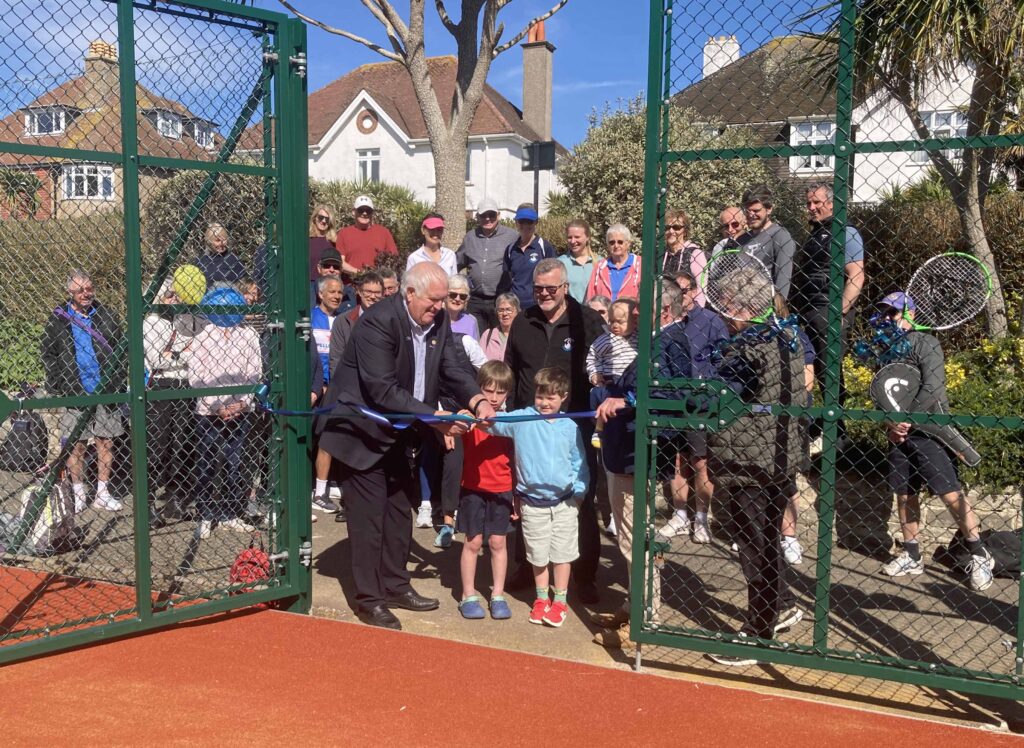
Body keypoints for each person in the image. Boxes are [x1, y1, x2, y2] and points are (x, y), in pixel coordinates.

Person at [316, 262, 497, 630]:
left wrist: (477, 399)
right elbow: (382, 390)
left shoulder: (439, 319)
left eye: (444, 301)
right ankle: (370, 600)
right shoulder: (378, 322)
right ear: (409, 293)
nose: (439, 307)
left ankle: (396, 585)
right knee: (369, 521)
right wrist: (436, 417)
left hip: (401, 432)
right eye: (433, 300)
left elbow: (451, 366)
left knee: (399, 512)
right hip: (361, 432)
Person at [703, 264, 806, 665]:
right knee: (763, 539)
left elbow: (726, 399)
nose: (723, 314)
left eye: (727, 305)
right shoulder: (785, 340)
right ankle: (780, 603)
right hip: (771, 459)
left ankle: (759, 629)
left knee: (754, 542)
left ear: (745, 306)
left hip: (753, 462)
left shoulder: (752, 347)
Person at [874, 292, 993, 591]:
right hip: (901, 434)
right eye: (885, 313)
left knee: (950, 494)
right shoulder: (885, 348)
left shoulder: (926, 343)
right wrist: (891, 423)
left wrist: (908, 419)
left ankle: (980, 554)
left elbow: (933, 387)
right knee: (904, 494)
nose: (888, 318)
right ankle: (912, 554)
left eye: (894, 312)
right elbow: (881, 392)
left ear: (910, 314)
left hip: (930, 431)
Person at [504, 258, 605, 602]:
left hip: (574, 427)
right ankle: (526, 564)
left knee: (580, 500)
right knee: (528, 494)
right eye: (538, 289)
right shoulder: (522, 321)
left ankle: (585, 574)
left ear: (565, 288)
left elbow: (603, 369)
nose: (544, 294)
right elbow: (511, 369)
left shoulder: (588, 321)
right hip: (530, 426)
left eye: (551, 288)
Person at [487, 367, 589, 627]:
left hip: (565, 502)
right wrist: (479, 411)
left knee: (562, 554)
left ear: (563, 397)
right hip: (532, 503)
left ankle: (561, 601)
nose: (544, 403)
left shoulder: (570, 425)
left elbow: (579, 463)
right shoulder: (522, 419)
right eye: (540, 397)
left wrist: (578, 495)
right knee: (538, 555)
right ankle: (542, 598)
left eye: (551, 398)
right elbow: (493, 423)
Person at [791, 182, 865, 452]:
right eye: (809, 203)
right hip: (807, 312)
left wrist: (839, 312)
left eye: (817, 202)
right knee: (809, 370)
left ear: (832, 203)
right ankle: (813, 430)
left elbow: (857, 276)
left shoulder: (847, 233)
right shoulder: (814, 235)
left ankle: (838, 433)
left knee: (829, 372)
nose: (811, 208)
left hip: (828, 313)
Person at [41, 271, 125, 512]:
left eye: (89, 288)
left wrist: (118, 378)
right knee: (76, 444)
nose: (86, 293)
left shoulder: (107, 314)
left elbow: (121, 347)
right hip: (76, 389)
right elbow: (48, 353)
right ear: (70, 293)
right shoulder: (58, 319)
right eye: (80, 290)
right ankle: (78, 494)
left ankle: (102, 492)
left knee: (105, 442)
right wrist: (59, 383)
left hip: (106, 388)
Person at [656, 274, 728, 544]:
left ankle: (701, 519)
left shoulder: (711, 321)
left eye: (683, 291)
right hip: (672, 400)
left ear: (695, 291)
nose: (680, 297)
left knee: (700, 462)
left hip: (700, 402)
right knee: (676, 461)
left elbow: (723, 359)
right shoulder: (669, 323)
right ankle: (680, 514)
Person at [187, 288, 263, 539]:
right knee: (207, 462)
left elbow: (255, 372)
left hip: (240, 411)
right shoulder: (203, 337)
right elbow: (197, 377)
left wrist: (241, 404)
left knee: (235, 463)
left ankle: (231, 513)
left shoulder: (249, 335)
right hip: (209, 413)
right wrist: (217, 406)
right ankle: (206, 515)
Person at [456, 361, 517, 620]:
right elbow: (454, 424)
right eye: (488, 390)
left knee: (497, 542)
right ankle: (467, 595)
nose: (493, 397)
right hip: (472, 488)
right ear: (479, 391)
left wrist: (517, 495)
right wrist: (456, 422)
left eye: (499, 392)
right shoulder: (470, 419)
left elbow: (517, 460)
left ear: (507, 393)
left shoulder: (512, 421)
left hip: (502, 490)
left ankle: (498, 594)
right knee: (473, 541)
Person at [143, 278, 198, 527]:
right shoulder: (150, 324)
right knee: (157, 445)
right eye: (169, 295)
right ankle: (148, 503)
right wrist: (181, 356)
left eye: (176, 295)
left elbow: (194, 353)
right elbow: (157, 360)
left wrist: (176, 355)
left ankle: (176, 498)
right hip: (161, 387)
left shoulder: (181, 321)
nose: (174, 299)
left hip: (183, 385)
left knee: (182, 443)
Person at [311, 275, 346, 515]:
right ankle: (314, 489)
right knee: (316, 439)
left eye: (339, 293)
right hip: (316, 388)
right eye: (331, 292)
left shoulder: (345, 319)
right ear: (320, 294)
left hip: (339, 388)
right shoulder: (311, 318)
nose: (336, 296)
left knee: (334, 437)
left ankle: (330, 484)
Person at [458, 197, 518, 330]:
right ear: (477, 217)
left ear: (498, 215)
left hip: (500, 299)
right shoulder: (470, 237)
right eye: (484, 215)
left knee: (502, 338)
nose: (487, 219)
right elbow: (457, 262)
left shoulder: (512, 236)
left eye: (491, 215)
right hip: (475, 301)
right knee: (477, 340)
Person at [735, 185, 796, 299]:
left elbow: (783, 279)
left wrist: (777, 308)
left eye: (756, 210)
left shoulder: (780, 236)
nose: (751, 215)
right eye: (747, 211)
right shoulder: (741, 240)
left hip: (765, 308)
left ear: (769, 209)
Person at [497, 203, 556, 310]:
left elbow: (553, 277)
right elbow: (506, 280)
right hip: (515, 306)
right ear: (516, 222)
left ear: (536, 222)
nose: (525, 225)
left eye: (529, 221)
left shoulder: (544, 247)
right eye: (521, 221)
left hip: (537, 305)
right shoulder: (510, 249)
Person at [336, 195, 398, 279]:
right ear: (354, 211)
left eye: (368, 210)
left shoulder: (384, 232)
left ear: (372, 213)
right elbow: (340, 262)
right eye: (361, 210)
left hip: (377, 285)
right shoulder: (343, 233)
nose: (364, 213)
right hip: (352, 285)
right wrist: (361, 273)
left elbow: (393, 259)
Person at [585, 224, 642, 302]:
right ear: (607, 245)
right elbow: (591, 296)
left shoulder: (639, 264)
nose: (616, 245)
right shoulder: (600, 267)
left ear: (628, 244)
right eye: (612, 242)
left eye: (620, 242)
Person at [662, 209, 707, 305]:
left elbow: (701, 289)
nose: (671, 231)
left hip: (686, 309)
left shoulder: (695, 254)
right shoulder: (660, 255)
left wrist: (696, 312)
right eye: (667, 227)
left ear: (685, 231)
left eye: (676, 227)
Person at [195, 222, 246, 289]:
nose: (222, 243)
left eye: (224, 239)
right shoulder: (201, 261)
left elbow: (243, 285)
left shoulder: (234, 260)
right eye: (218, 240)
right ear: (209, 241)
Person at [559, 219, 596, 303]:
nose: (572, 241)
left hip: (594, 314)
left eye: (577, 237)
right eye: (569, 237)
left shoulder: (600, 263)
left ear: (587, 237)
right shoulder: (560, 263)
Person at [480, 293, 520, 361]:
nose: (505, 313)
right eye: (501, 310)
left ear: (517, 311)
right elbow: (479, 361)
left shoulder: (523, 335)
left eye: (509, 309)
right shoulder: (487, 335)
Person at [308, 204, 339, 283]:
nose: (324, 221)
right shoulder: (306, 241)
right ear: (315, 218)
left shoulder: (335, 242)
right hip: (309, 285)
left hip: (328, 285)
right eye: (321, 217)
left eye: (327, 219)